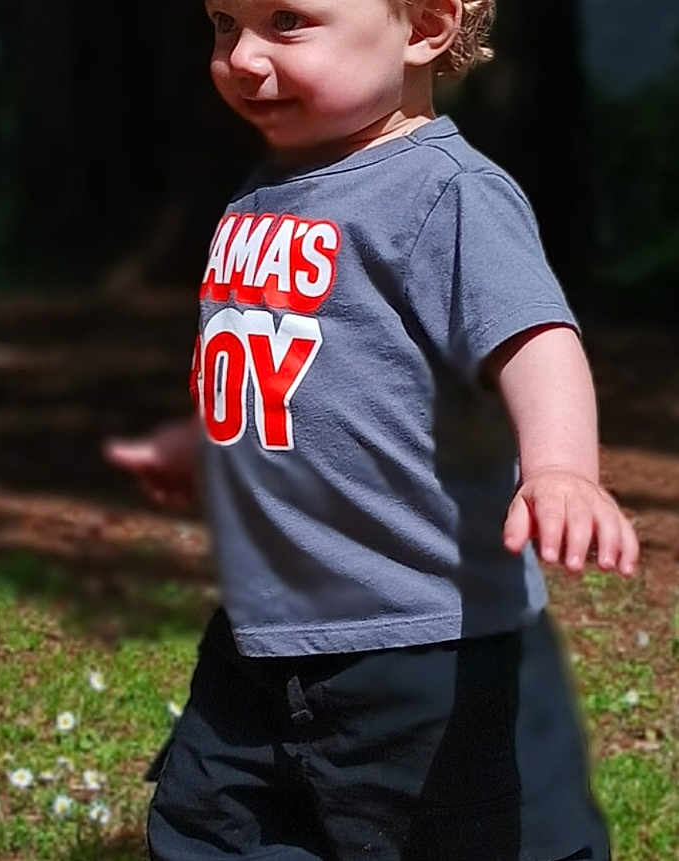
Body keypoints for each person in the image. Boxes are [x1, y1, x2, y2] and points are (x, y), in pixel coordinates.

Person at [105, 0, 640, 858]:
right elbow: (304, 368)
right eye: (221, 23)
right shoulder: (270, 189)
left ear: (425, 27)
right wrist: (211, 442)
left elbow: (534, 339)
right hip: (261, 629)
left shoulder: (448, 194)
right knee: (208, 827)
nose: (241, 56)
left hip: (418, 644)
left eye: (285, 21)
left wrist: (561, 467)